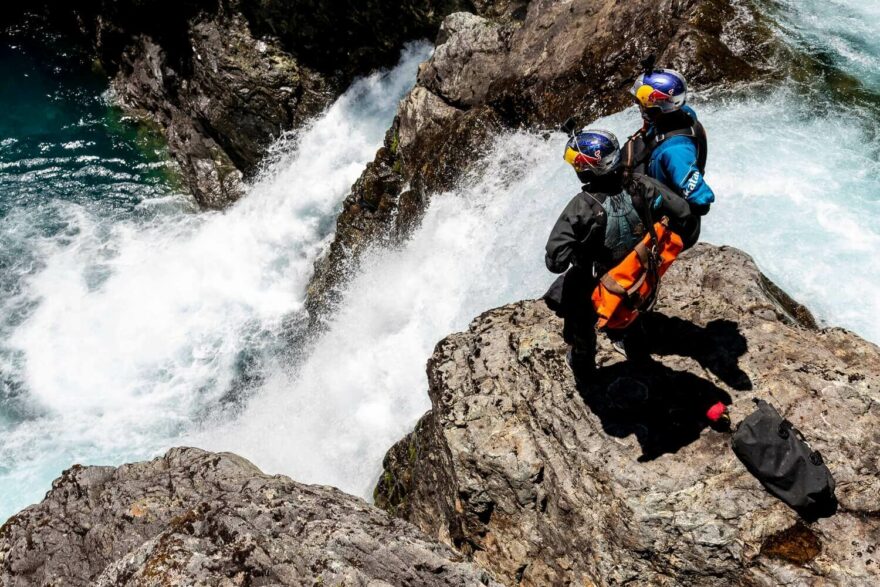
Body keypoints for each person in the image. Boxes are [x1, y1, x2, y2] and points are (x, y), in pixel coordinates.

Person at [544, 129, 651, 379]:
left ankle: (582, 360)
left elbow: (555, 261)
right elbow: (681, 212)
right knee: (632, 309)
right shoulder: (642, 185)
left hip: (593, 281)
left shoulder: (582, 205)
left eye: (578, 164)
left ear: (590, 169)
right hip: (635, 271)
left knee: (579, 316)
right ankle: (632, 344)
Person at [622, 61, 714, 249]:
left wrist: (670, 204)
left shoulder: (675, 152)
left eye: (643, 102)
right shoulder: (684, 113)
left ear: (660, 107)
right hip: (665, 175)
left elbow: (702, 201)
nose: (639, 106)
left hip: (675, 231)